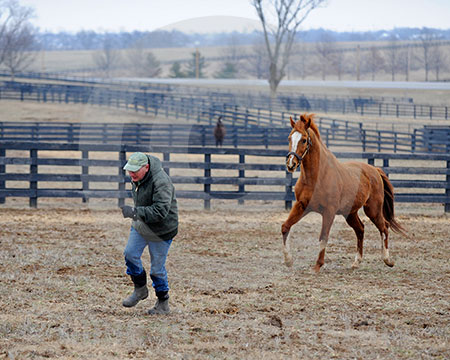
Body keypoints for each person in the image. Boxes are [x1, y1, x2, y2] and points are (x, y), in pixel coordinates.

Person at [120, 152, 178, 315]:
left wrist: (135, 212)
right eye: (129, 170)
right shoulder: (137, 178)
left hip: (162, 230)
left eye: (135, 171)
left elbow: (160, 211)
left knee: (157, 270)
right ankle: (140, 289)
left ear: (146, 167)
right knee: (130, 254)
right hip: (142, 225)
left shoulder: (161, 182)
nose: (131, 174)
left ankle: (162, 302)